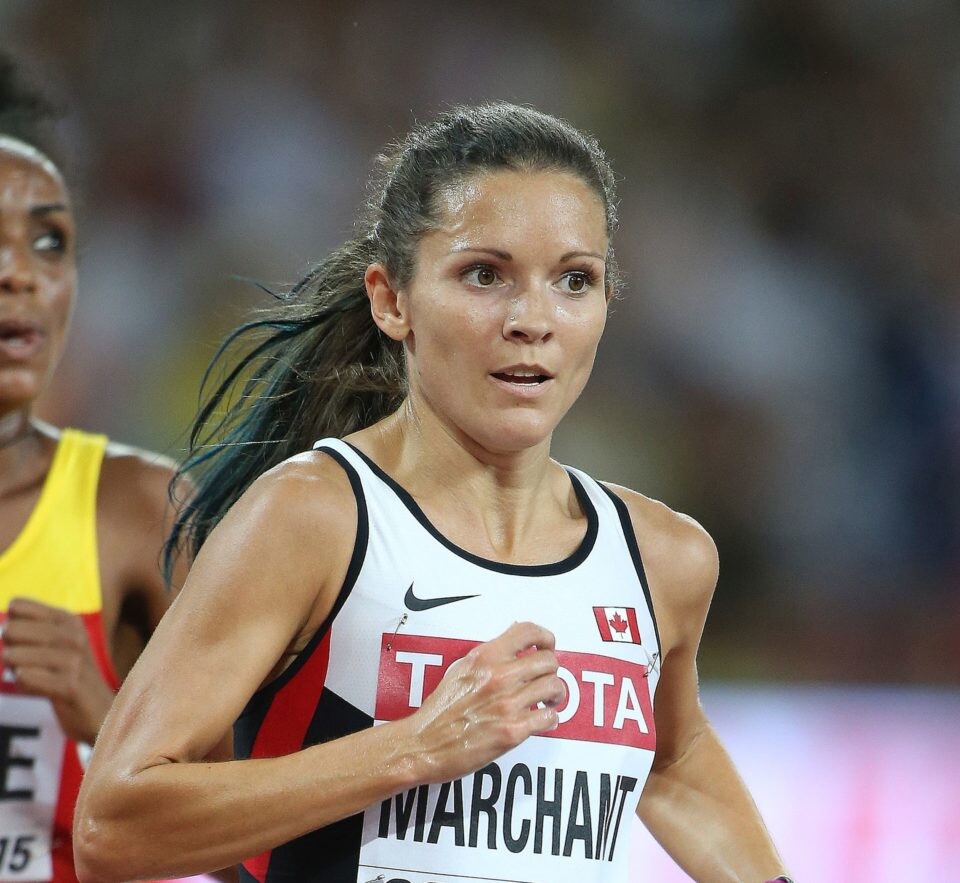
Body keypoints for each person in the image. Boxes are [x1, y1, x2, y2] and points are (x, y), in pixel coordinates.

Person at [75, 103, 793, 883]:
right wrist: (415, 745)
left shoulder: (663, 558)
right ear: (392, 300)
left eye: (573, 280)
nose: (533, 320)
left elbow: (674, 759)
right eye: (485, 274)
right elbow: (114, 822)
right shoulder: (315, 517)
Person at [0, 58, 183, 882]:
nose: (20, 272)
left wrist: (105, 719)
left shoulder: (137, 512)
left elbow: (259, 840)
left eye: (50, 241)